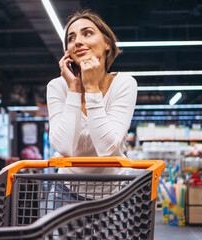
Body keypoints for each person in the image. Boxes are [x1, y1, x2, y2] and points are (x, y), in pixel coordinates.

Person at [47, 9, 137, 176]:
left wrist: (91, 88)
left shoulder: (124, 83)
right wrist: (74, 88)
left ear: (107, 44)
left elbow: (106, 148)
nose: (77, 42)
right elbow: (64, 148)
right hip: (66, 190)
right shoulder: (57, 86)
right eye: (71, 38)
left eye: (87, 33)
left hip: (115, 191)